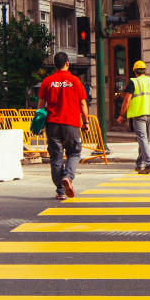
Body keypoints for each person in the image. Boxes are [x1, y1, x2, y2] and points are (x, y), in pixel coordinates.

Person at [38, 51, 89, 200]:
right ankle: (68, 177)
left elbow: (41, 105)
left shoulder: (47, 81)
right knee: (74, 152)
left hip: (53, 124)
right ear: (67, 63)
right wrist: (85, 122)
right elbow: (82, 103)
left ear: (54, 64)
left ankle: (60, 191)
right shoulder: (75, 81)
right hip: (71, 123)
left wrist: (40, 121)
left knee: (56, 157)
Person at [116, 59, 150, 174]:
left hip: (139, 114)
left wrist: (121, 115)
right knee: (145, 140)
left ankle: (149, 163)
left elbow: (127, 100)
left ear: (135, 72)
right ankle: (140, 164)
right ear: (145, 71)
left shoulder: (133, 82)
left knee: (143, 139)